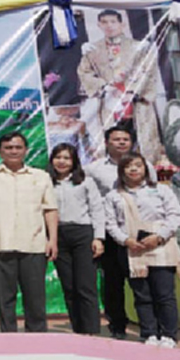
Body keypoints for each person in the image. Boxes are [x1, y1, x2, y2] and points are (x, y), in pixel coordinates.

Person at [0, 132, 58, 333]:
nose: (13, 151)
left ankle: (37, 339)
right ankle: (8, 340)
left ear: (26, 150)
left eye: (18, 147)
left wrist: (52, 239)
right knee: (5, 299)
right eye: (8, 148)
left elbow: (50, 209)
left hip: (34, 245)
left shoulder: (41, 176)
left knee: (35, 299)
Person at [104, 152, 180, 347]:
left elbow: (175, 215)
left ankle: (168, 335)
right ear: (121, 170)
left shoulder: (161, 190)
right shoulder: (113, 195)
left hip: (161, 246)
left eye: (138, 165)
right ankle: (148, 332)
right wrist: (126, 240)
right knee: (142, 295)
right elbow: (111, 223)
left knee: (164, 294)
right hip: (132, 249)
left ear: (145, 169)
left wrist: (159, 236)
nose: (133, 169)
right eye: (128, 166)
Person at [87, 125, 155, 340]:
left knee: (142, 280)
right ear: (107, 142)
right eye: (116, 139)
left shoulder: (146, 166)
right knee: (112, 282)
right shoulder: (94, 169)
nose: (121, 142)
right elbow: (91, 202)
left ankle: (149, 328)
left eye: (125, 139)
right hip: (110, 232)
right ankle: (117, 325)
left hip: (140, 233)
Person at [77, 9, 163, 164]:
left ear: (121, 24)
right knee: (111, 140)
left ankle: (146, 170)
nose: (109, 26)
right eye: (104, 22)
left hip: (136, 101)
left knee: (142, 141)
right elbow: (84, 73)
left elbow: (149, 71)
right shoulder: (93, 49)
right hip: (109, 103)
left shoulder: (139, 46)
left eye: (113, 22)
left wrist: (135, 92)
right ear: (99, 25)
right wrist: (104, 87)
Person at [47, 142, 104, 335]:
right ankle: (78, 330)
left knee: (85, 286)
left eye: (66, 158)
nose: (61, 162)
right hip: (58, 235)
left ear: (74, 161)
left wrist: (98, 238)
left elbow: (97, 209)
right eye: (58, 157)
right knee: (69, 287)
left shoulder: (85, 181)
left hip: (83, 234)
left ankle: (92, 331)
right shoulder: (46, 182)